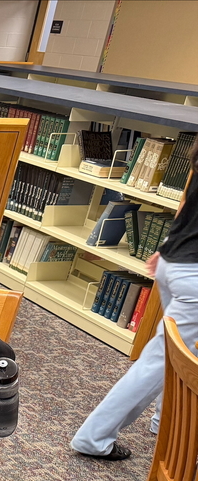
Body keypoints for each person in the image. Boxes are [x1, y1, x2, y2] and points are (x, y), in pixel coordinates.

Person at [72, 146, 198, 460]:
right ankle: (93, 438)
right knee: (160, 359)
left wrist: (168, 247)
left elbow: (187, 205)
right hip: (193, 274)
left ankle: (163, 422)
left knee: (180, 353)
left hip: (176, 262)